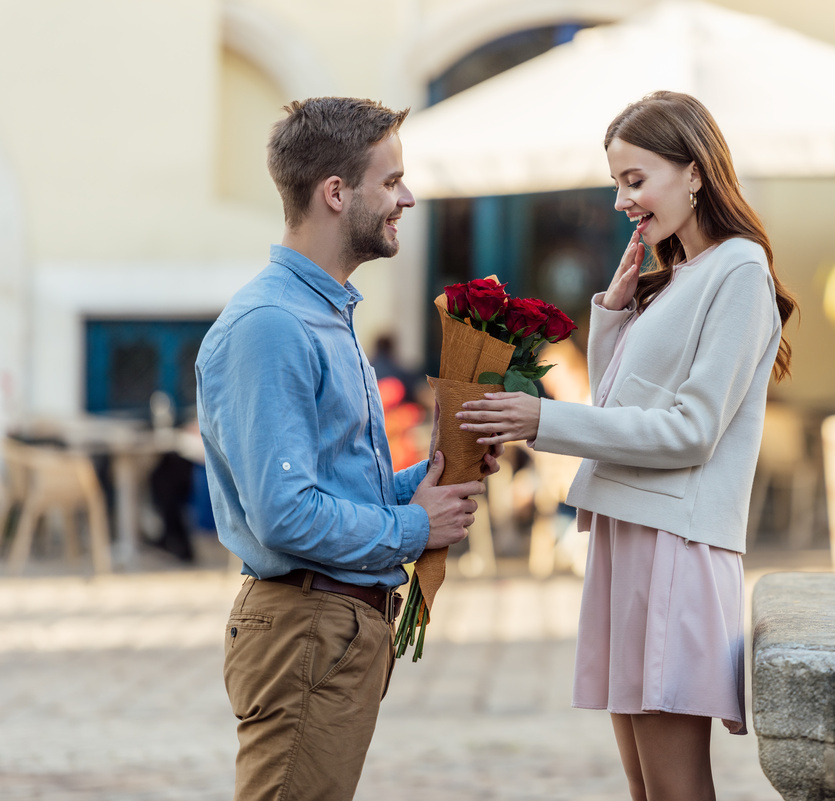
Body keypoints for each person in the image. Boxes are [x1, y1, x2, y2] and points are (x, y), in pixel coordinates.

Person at [457, 91, 797, 801]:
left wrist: (543, 422)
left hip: (674, 540)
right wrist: (614, 315)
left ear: (696, 172)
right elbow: (628, 407)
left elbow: (690, 430)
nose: (619, 200)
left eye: (634, 179)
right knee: (648, 791)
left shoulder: (739, 269)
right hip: (633, 534)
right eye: (617, 181)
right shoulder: (684, 275)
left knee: (675, 791)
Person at [195, 97, 496, 801]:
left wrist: (440, 471)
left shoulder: (323, 312)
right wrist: (418, 526)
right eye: (391, 182)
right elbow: (287, 515)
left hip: (331, 629)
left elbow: (336, 485)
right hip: (305, 627)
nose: (407, 198)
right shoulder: (273, 324)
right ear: (336, 193)